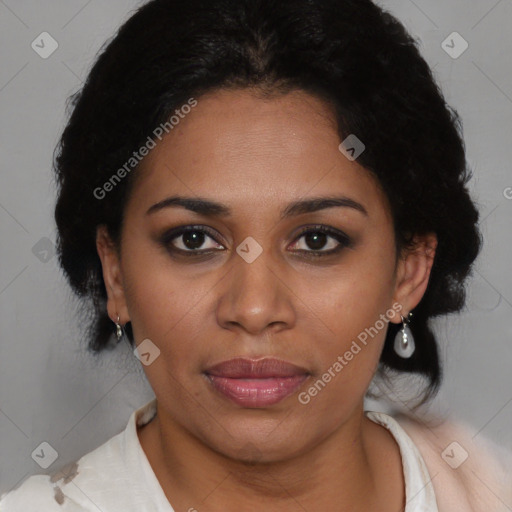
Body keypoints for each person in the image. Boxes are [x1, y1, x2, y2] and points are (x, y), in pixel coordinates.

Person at [1, 0, 511, 510]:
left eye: (317, 240)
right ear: (115, 273)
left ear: (408, 271)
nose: (254, 309)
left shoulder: (486, 488)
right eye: (194, 240)